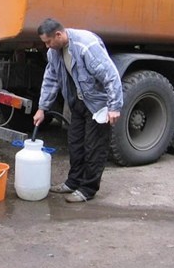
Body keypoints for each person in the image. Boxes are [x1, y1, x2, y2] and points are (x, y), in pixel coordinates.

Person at [33, 18, 123, 203]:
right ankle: (73, 182)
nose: (47, 46)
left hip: (97, 105)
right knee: (75, 144)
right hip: (77, 103)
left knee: (94, 147)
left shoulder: (85, 46)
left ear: (58, 34)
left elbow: (110, 75)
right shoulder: (54, 52)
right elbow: (50, 80)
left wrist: (114, 106)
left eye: (49, 41)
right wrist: (42, 108)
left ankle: (87, 189)